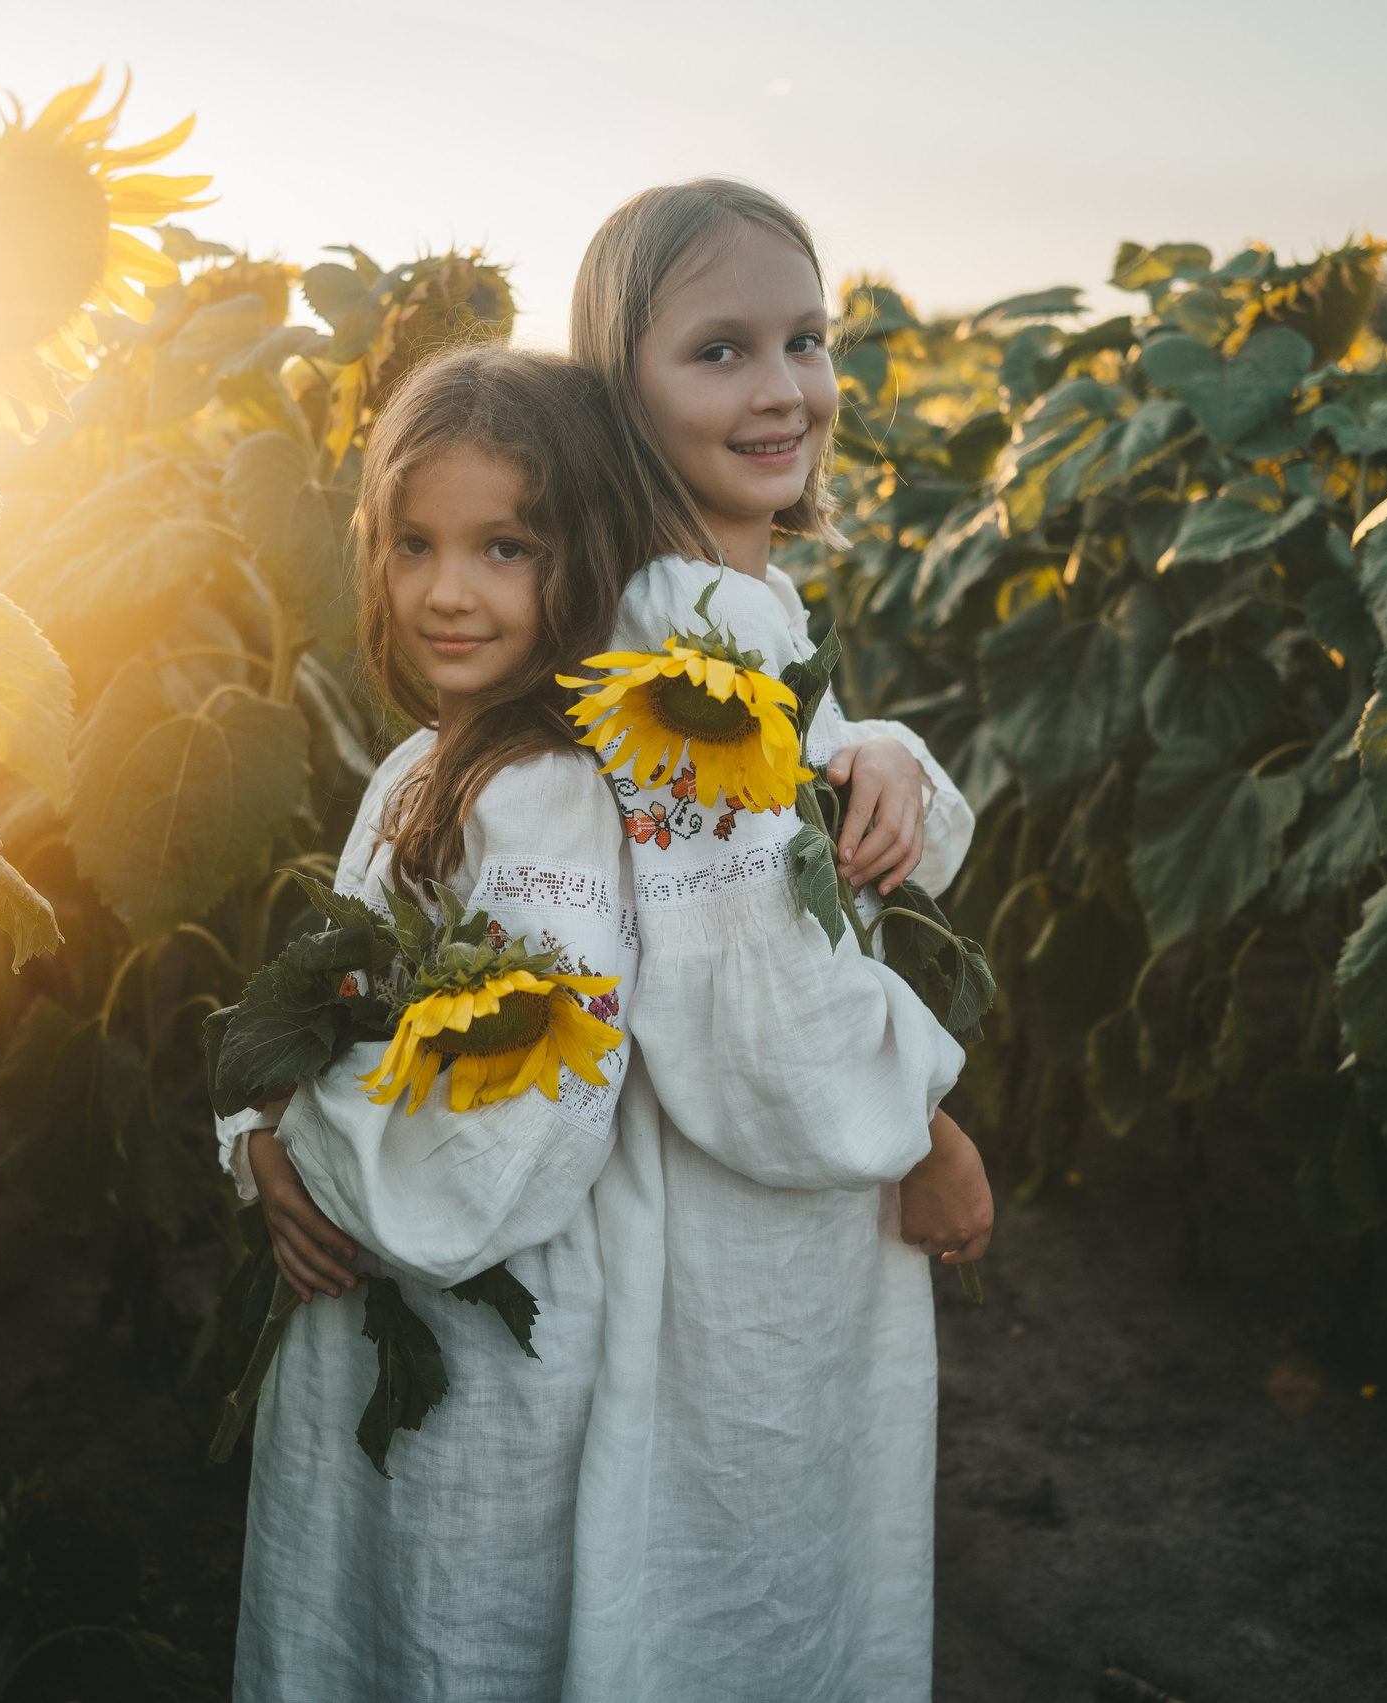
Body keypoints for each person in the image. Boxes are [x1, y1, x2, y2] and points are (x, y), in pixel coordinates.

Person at [562, 178, 999, 1702]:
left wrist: (862, 738)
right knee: (746, 1545)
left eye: (806, 339)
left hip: (734, 1178)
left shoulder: (730, 598)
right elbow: (748, 991)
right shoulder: (689, 640)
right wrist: (921, 1130)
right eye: (721, 350)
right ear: (619, 390)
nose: (785, 388)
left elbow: (782, 829)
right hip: (748, 1188)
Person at [218, 346, 651, 1702]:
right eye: (414, 543)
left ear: (582, 559)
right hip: (380, 1290)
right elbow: (311, 1008)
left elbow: (514, 1117)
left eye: (504, 546)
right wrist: (256, 1137)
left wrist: (298, 1154)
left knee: (456, 1628)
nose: (446, 590)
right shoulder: (427, 763)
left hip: (479, 1321)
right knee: (370, 1609)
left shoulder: (549, 800)